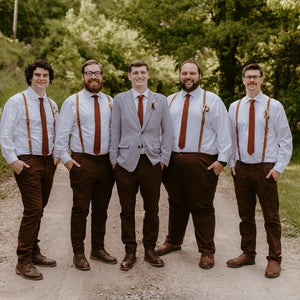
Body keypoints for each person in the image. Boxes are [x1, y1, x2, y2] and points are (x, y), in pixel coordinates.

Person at [155, 60, 231, 269]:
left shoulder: (212, 100)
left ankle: (207, 250)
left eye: (192, 73)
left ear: (199, 76)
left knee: (202, 205)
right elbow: (161, 132)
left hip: (202, 161)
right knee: (176, 202)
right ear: (179, 75)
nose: (188, 77)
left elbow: (224, 132)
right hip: (173, 160)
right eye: (184, 73)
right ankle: (173, 241)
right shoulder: (169, 101)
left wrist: (221, 161)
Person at [226, 63, 292, 278]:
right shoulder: (234, 107)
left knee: (271, 216)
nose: (251, 80)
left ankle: (274, 258)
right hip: (242, 168)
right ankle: (248, 253)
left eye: (255, 77)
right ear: (243, 80)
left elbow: (285, 140)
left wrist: (278, 168)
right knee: (245, 215)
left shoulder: (274, 106)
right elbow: (231, 139)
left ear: (262, 79)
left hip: (266, 168)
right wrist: (232, 163)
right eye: (248, 77)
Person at [110, 59, 173, 271]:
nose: (139, 76)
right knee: (127, 210)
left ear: (148, 75)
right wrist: (114, 160)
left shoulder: (160, 100)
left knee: (152, 209)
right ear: (129, 76)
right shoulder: (120, 100)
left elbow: (168, 132)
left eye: (142, 72)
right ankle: (129, 251)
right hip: (126, 163)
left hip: (152, 162)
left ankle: (150, 250)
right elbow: (114, 130)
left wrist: (163, 160)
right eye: (135, 72)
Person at [0, 60, 59, 280]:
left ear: (49, 79)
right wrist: (13, 160)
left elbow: (56, 132)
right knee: (33, 210)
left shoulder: (52, 104)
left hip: (47, 162)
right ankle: (23, 260)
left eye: (45, 75)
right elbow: (5, 133)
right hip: (26, 161)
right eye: (37, 75)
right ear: (30, 77)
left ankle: (34, 251)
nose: (41, 78)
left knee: (39, 209)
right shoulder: (17, 101)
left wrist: (57, 156)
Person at [54, 60, 116, 271]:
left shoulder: (110, 101)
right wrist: (69, 162)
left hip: (106, 162)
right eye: (89, 73)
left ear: (102, 77)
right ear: (82, 77)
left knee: (102, 209)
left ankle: (97, 248)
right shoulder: (73, 101)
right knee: (80, 209)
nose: (93, 77)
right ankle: (78, 253)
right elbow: (61, 136)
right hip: (83, 161)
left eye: (97, 73)